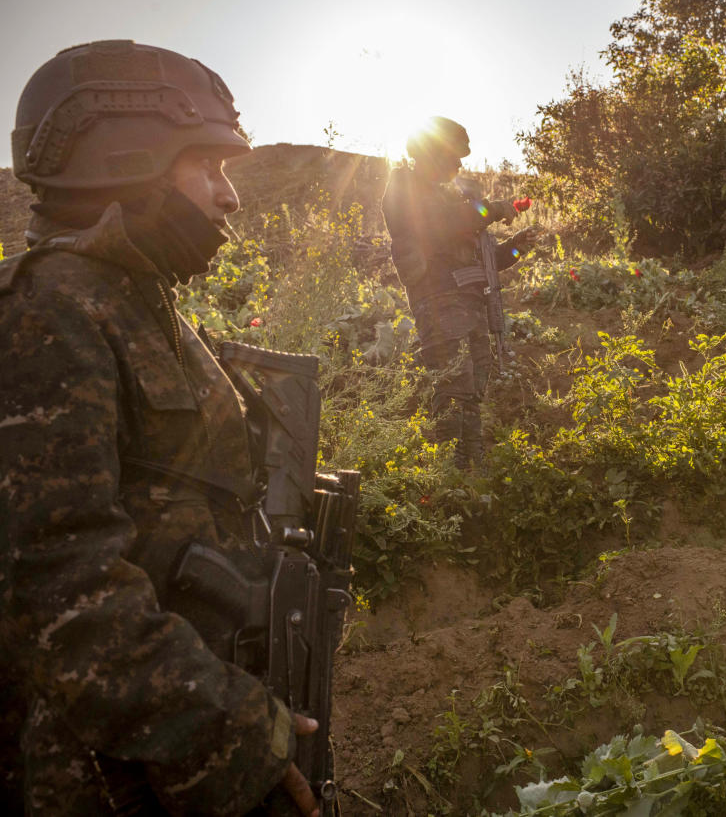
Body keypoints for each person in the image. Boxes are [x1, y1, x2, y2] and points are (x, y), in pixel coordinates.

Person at [0, 40, 319, 816]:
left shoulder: (134, 297)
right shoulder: (51, 312)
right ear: (128, 159)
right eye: (208, 168)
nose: (228, 198)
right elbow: (59, 587)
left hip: (161, 752)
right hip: (99, 774)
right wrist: (230, 736)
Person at [381, 116, 534, 468]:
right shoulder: (405, 188)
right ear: (432, 154)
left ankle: (470, 468)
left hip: (469, 304)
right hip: (438, 301)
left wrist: (516, 247)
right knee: (453, 388)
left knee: (473, 391)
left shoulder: (451, 199)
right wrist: (493, 210)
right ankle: (445, 474)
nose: (459, 165)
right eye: (453, 156)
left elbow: (484, 260)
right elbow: (441, 224)